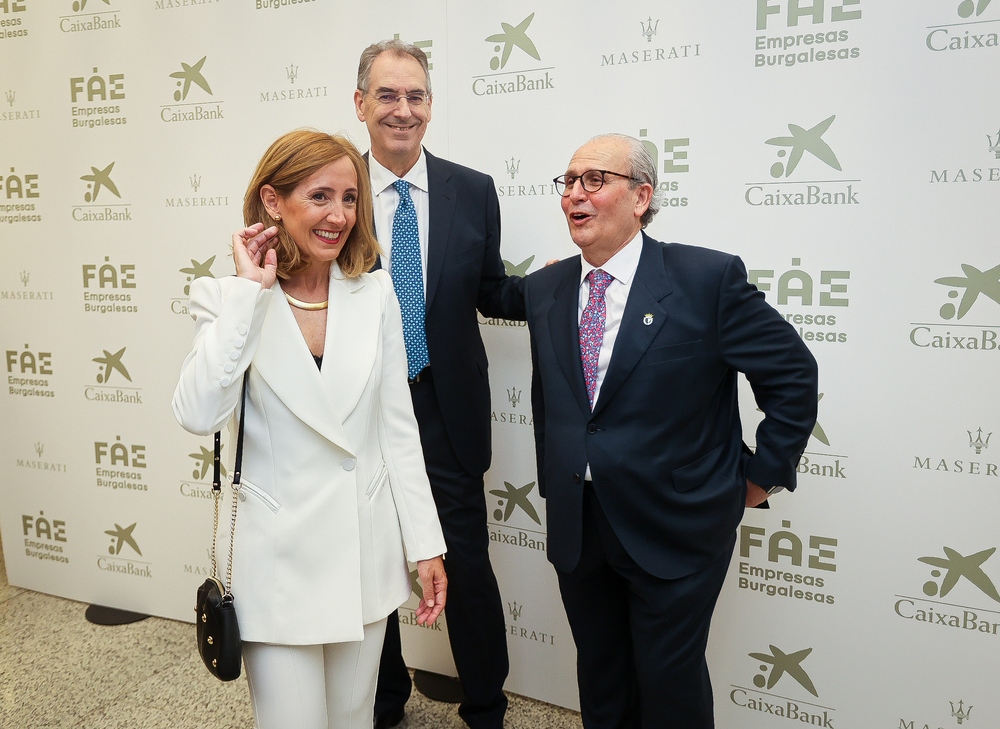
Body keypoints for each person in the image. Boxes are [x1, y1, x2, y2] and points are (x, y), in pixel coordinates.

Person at [523, 134, 819, 729]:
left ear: (641, 197)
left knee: (669, 685)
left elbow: (791, 373)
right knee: (601, 679)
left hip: (677, 522)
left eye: (594, 180)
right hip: (580, 526)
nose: (574, 195)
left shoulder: (705, 278)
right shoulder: (545, 289)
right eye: (569, 181)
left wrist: (761, 476)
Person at [171, 130, 448, 729]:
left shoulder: (374, 293)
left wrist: (424, 543)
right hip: (278, 568)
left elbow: (398, 429)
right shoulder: (226, 298)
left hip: (363, 560)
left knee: (354, 721)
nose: (339, 215)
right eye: (320, 196)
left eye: (351, 199)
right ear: (273, 201)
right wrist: (249, 293)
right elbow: (197, 413)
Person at [353, 40, 524, 729]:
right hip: (358, 410)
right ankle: (385, 698)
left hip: (445, 408)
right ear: (360, 104)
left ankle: (487, 704)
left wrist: (572, 288)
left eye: (415, 95)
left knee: (468, 569)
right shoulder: (335, 187)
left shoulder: (473, 189)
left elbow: (489, 289)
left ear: (431, 105)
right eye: (387, 95)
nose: (403, 109)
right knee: (372, 563)